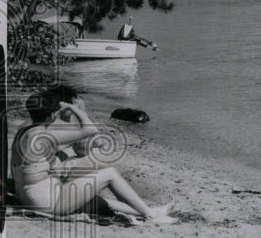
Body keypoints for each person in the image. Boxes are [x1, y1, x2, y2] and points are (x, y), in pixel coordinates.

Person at [10, 89, 175, 223]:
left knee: (101, 203)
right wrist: (75, 109)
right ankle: (151, 216)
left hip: (32, 198)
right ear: (53, 114)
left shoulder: (26, 131)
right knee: (110, 174)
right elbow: (90, 130)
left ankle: (150, 211)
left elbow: (37, 166)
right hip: (48, 202)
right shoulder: (42, 136)